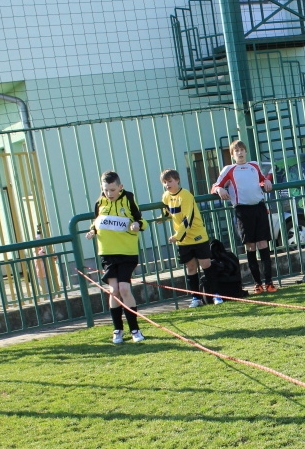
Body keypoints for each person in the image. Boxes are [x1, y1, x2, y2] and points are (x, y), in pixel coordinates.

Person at [84, 171, 147, 344]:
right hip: (107, 253)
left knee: (125, 289)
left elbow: (141, 221)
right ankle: (117, 330)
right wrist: (92, 231)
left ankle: (135, 330)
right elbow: (97, 222)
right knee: (114, 291)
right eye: (106, 190)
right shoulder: (99, 202)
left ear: (120, 187)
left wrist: (137, 225)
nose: (109, 194)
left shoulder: (128, 199)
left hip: (127, 252)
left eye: (113, 190)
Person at [212, 140, 276, 294]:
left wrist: (266, 180)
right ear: (232, 154)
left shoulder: (254, 165)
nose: (240, 153)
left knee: (263, 244)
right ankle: (257, 284)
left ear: (246, 151)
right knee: (251, 246)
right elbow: (215, 185)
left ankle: (269, 283)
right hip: (243, 211)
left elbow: (262, 179)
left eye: (242, 150)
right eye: (236, 151)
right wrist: (219, 189)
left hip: (259, 208)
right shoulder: (229, 169)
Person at [160, 169, 221, 308]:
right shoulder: (165, 196)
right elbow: (167, 211)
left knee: (206, 264)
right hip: (183, 240)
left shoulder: (186, 195)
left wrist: (177, 236)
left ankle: (216, 295)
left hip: (197, 236)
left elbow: (189, 218)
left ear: (177, 180)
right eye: (165, 182)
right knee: (191, 267)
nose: (167, 184)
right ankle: (196, 298)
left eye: (170, 181)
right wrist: (162, 218)